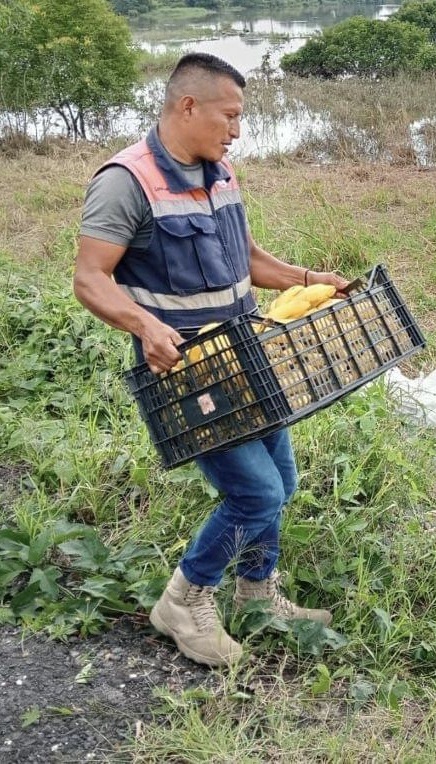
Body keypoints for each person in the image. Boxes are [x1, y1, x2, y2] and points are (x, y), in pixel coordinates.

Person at [73, 53, 350, 668]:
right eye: (230, 116)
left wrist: (311, 279)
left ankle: (257, 591)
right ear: (188, 106)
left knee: (283, 483)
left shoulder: (221, 172)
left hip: (245, 358)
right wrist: (145, 326)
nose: (237, 131)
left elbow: (248, 259)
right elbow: (90, 279)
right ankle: (185, 599)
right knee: (256, 492)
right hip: (188, 374)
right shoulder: (127, 181)